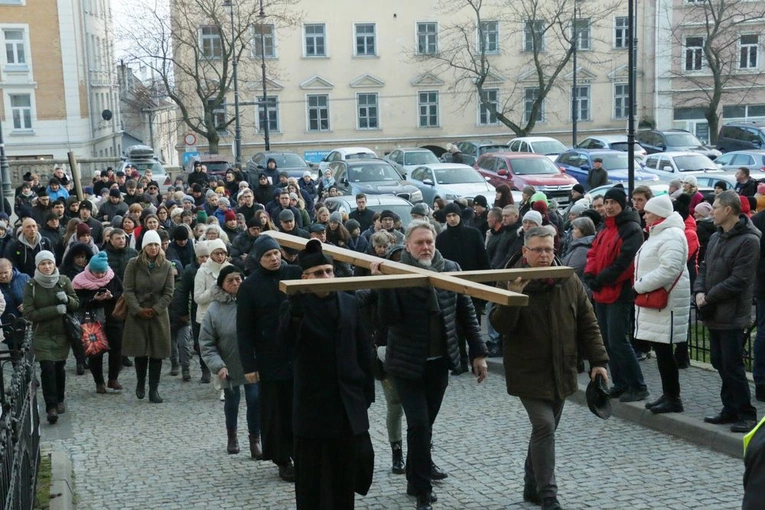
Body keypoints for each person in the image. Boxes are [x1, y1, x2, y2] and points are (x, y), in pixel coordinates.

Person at [371, 220, 488, 510]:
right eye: (419, 242)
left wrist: (478, 352)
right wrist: (383, 286)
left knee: (426, 426)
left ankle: (415, 475)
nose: (425, 247)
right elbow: (388, 320)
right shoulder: (396, 271)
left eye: (429, 242)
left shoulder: (450, 268)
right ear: (408, 245)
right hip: (406, 364)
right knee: (419, 424)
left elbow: (466, 313)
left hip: (439, 363)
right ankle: (422, 489)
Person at [490, 227, 608, 510]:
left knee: (547, 428)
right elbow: (499, 325)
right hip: (527, 370)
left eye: (548, 249)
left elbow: (587, 322)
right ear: (525, 252)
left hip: (562, 368)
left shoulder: (568, 279)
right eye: (538, 250)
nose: (544, 255)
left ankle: (531, 484)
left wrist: (599, 362)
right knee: (543, 426)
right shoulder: (509, 280)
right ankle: (548, 495)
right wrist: (512, 299)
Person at [279, 239, 375, 509]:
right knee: (312, 483)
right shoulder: (294, 306)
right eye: (319, 273)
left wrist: (366, 391)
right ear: (304, 278)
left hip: (346, 407)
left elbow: (362, 347)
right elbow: (285, 346)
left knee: (345, 481)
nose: (326, 277)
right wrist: (296, 312)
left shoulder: (348, 302)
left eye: (329, 272)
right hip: (313, 410)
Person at [237, 236, 303, 482]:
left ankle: (303, 454)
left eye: (276, 253)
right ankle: (282, 458)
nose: (274, 258)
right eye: (268, 255)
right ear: (258, 258)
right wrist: (249, 365)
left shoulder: (295, 273)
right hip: (269, 356)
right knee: (277, 411)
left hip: (298, 353)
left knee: (300, 407)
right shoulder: (250, 286)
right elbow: (244, 329)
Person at [696, 190, 760, 432]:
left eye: (715, 207)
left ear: (729, 210)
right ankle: (729, 408)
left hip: (732, 313)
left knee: (732, 365)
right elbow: (704, 266)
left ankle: (746, 412)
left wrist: (708, 296)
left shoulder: (749, 240)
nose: (711, 211)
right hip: (713, 310)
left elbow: (740, 280)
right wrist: (699, 291)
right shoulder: (716, 236)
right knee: (719, 362)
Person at [583, 185, 648, 402]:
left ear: (622, 205)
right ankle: (620, 383)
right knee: (608, 342)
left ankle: (637, 385)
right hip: (602, 291)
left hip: (619, 292)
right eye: (607, 203)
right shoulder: (604, 227)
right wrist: (590, 274)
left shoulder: (631, 229)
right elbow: (593, 252)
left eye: (613, 203)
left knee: (618, 340)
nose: (609, 207)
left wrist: (601, 279)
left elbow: (626, 262)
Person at [632, 195, 690, 414]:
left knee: (665, 352)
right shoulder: (658, 233)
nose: (644, 215)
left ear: (658, 213)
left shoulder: (672, 235)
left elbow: (669, 269)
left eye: (647, 212)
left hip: (667, 302)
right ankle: (668, 395)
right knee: (661, 351)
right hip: (658, 302)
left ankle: (673, 398)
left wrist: (639, 286)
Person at [199, 265, 262, 458]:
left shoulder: (252, 301)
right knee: (232, 401)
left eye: (238, 279)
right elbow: (206, 342)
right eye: (230, 280)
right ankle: (232, 436)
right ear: (222, 285)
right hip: (228, 364)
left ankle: (255, 439)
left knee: (254, 400)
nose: (236, 283)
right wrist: (218, 366)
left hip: (252, 362)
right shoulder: (214, 310)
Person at [23, 250, 79, 424]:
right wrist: (54, 310)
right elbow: (29, 313)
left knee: (59, 368)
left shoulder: (63, 281)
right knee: (47, 368)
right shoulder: (31, 286)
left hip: (62, 332)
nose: (47, 267)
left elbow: (76, 303)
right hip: (42, 333)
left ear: (54, 264)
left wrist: (68, 300)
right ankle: (51, 406)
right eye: (43, 264)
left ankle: (60, 398)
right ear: (37, 266)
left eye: (49, 263)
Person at [121, 230, 175, 404]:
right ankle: (140, 383)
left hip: (158, 314)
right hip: (137, 313)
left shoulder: (166, 265)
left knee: (157, 353)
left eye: (156, 245)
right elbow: (128, 289)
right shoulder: (134, 263)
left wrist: (156, 309)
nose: (153, 248)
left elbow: (169, 292)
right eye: (150, 245)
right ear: (144, 246)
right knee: (140, 351)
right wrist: (137, 309)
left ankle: (154, 389)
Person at [72, 251, 124, 394]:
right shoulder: (79, 281)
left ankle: (113, 378)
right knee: (95, 352)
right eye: (97, 273)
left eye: (103, 272)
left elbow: (122, 293)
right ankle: (99, 382)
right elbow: (77, 303)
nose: (101, 276)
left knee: (117, 348)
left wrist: (111, 296)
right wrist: (93, 300)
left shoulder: (112, 277)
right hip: (91, 320)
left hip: (112, 317)